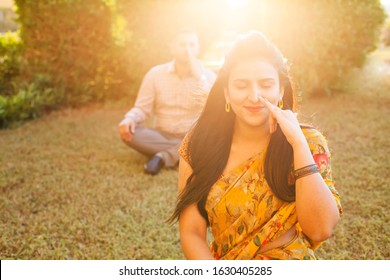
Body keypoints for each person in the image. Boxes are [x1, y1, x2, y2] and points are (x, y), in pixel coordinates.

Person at [168, 31, 342, 260]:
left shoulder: (308, 143)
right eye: (241, 85)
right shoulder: (198, 146)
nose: (254, 96)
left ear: (280, 90)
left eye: (266, 84)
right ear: (226, 93)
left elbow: (320, 228)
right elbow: (192, 233)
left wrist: (298, 145)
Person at [118, 29, 216, 175]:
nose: (187, 49)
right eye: (182, 44)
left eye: (191, 44)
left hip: (194, 137)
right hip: (161, 135)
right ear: (172, 47)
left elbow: (214, 109)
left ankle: (162, 156)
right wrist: (129, 119)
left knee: (209, 141)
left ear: (198, 48)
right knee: (130, 134)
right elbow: (142, 108)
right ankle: (186, 153)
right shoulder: (155, 74)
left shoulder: (208, 76)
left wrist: (199, 77)